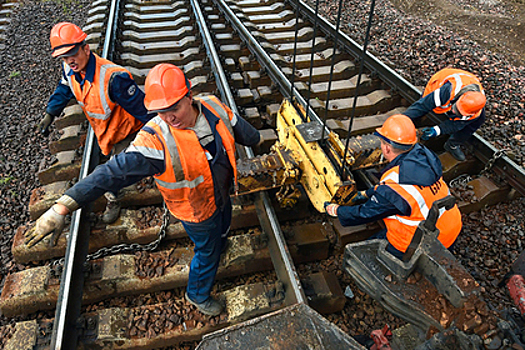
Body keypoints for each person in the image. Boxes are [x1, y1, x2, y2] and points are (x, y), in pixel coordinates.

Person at [26, 63, 261, 316]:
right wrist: (62, 207)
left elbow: (249, 135)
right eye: (161, 111)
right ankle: (198, 295)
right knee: (207, 250)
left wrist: (257, 138)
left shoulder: (214, 106)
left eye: (175, 108)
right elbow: (110, 174)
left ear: (189, 96)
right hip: (196, 211)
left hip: (222, 195)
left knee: (223, 227)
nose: (170, 117)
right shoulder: (155, 142)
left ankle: (220, 242)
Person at [40, 22, 153, 223]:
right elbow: (64, 88)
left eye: (72, 54)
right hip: (105, 133)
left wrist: (158, 137)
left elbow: (142, 110)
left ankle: (114, 198)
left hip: (124, 134)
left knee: (113, 171)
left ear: (86, 48)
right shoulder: (69, 68)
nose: (69, 61)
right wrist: (51, 112)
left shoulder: (113, 78)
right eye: (64, 57)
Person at [325, 115, 462, 259]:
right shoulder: (423, 158)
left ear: (387, 148)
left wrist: (338, 211)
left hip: (429, 243)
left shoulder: (398, 188)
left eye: (382, 142)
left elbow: (365, 213)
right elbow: (392, 189)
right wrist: (367, 193)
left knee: (363, 253)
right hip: (452, 226)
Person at [403, 68, 486, 161]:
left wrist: (436, 130)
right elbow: (422, 106)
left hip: (465, 87)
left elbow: (456, 125)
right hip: (440, 81)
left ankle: (452, 145)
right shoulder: (447, 90)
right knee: (421, 110)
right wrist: (401, 120)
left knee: (479, 120)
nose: (454, 112)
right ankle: (409, 126)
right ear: (460, 98)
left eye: (458, 112)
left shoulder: (475, 110)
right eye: (456, 109)